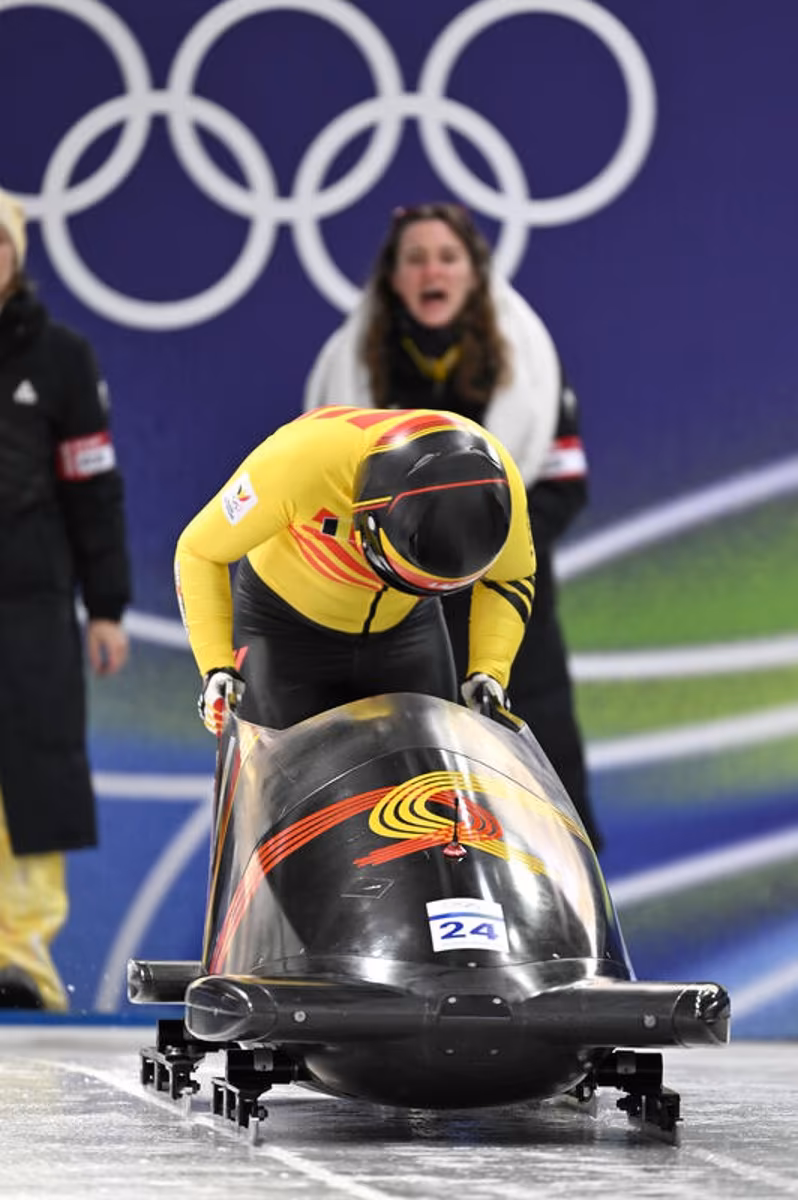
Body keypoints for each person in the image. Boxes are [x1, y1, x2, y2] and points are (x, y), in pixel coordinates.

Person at [303, 202, 602, 852]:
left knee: (535, 763)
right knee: (404, 774)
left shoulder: (532, 369)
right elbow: (322, 493)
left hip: (506, 602)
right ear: (393, 279)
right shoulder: (350, 370)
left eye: (446, 257)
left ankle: (569, 925)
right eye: (415, 259)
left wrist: (478, 556)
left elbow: (564, 484)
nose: (430, 270)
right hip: (392, 608)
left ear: (473, 272)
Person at [174, 406, 535, 737]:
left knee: (435, 790)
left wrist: (488, 671)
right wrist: (216, 666)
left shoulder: (498, 475)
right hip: (285, 635)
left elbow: (510, 575)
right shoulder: (295, 464)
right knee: (284, 784)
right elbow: (198, 551)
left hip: (407, 628)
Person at [0, 188, 132, 1010]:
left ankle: (21, 956)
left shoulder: (62, 359)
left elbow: (94, 488)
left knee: (33, 772)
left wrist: (108, 603)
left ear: (16, 257)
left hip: (31, 601)